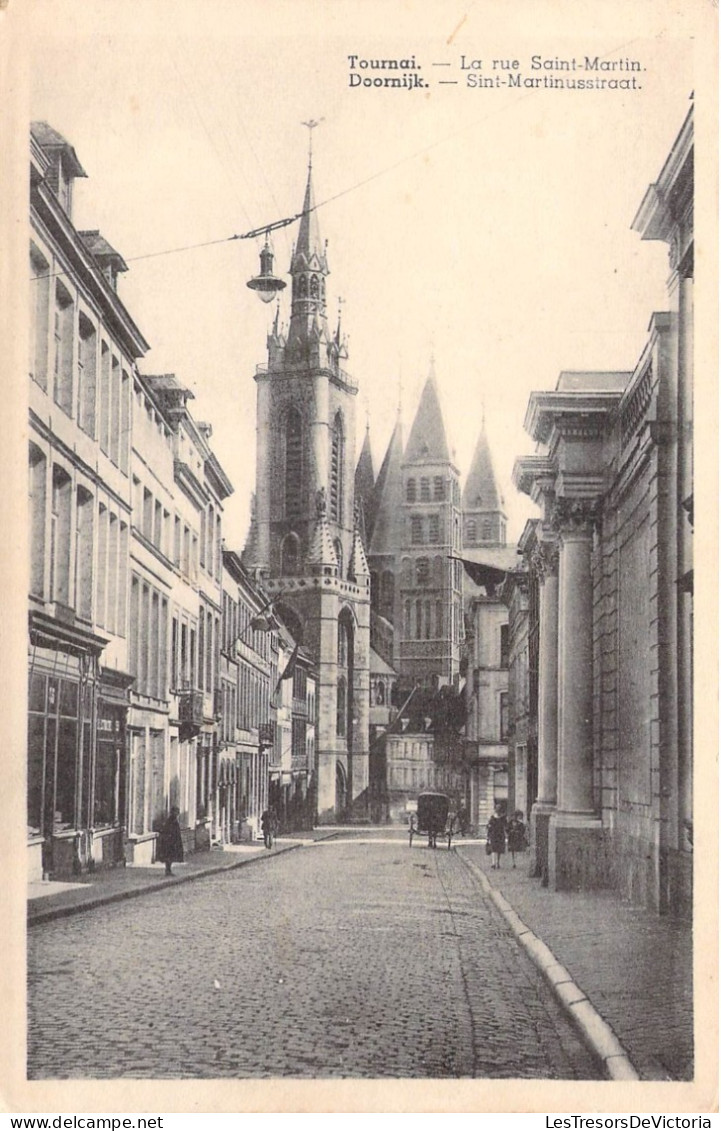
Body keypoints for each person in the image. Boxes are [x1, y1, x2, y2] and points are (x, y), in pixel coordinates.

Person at [157, 807, 184, 876]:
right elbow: (168, 830)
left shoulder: (174, 820)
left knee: (171, 856)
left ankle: (168, 870)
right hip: (170, 842)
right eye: (176, 812)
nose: (177, 814)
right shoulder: (171, 821)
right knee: (169, 856)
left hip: (173, 841)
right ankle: (168, 870)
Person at [486, 803, 506, 870]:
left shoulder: (503, 818)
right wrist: (488, 835)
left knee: (499, 849)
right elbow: (489, 826)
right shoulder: (492, 818)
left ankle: (497, 863)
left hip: (500, 835)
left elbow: (505, 826)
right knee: (494, 849)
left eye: (499, 809)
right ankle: (494, 863)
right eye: (497, 809)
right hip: (494, 835)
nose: (498, 810)